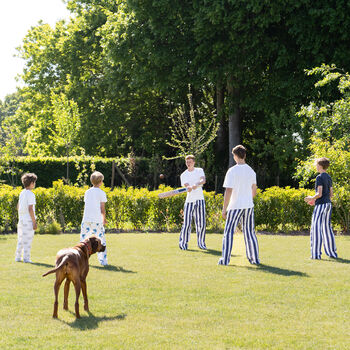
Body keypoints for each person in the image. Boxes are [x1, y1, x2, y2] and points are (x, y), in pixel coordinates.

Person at [218, 145, 260, 265]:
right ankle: (254, 259)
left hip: (235, 206)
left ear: (235, 156)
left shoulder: (232, 171)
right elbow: (254, 191)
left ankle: (225, 260)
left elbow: (228, 191)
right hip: (248, 206)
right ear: (244, 155)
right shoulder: (251, 171)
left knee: (229, 232)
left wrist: (224, 209)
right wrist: (247, 199)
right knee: (250, 233)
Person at [304, 157, 337, 259]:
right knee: (327, 229)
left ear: (320, 166)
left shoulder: (319, 177)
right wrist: (316, 201)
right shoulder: (328, 177)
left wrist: (311, 198)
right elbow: (331, 194)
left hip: (321, 205)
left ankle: (316, 255)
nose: (316, 166)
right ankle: (332, 253)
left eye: (317, 164)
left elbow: (319, 193)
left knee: (316, 229)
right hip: (328, 205)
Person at [179, 155, 207, 250]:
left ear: (194, 162)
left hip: (200, 200)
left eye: (190, 161)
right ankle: (183, 243)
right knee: (186, 223)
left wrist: (196, 184)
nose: (188, 163)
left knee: (201, 223)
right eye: (187, 162)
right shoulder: (183, 175)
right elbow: (186, 185)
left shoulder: (199, 170)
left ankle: (201, 243)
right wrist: (189, 188)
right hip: (189, 201)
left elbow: (203, 180)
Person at [80, 171, 108, 265]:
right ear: (100, 182)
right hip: (96, 220)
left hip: (86, 219)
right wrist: (104, 218)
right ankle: (103, 261)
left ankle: (81, 259)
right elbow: (102, 209)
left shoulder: (87, 192)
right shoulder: (102, 193)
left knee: (83, 240)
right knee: (101, 240)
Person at [15, 173, 38, 263]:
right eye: (34, 182)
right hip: (28, 220)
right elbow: (30, 209)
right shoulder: (31, 194)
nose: (35, 184)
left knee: (20, 239)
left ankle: (18, 257)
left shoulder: (22, 192)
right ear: (31, 183)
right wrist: (34, 222)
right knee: (27, 240)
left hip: (21, 219)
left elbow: (18, 206)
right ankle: (26, 258)